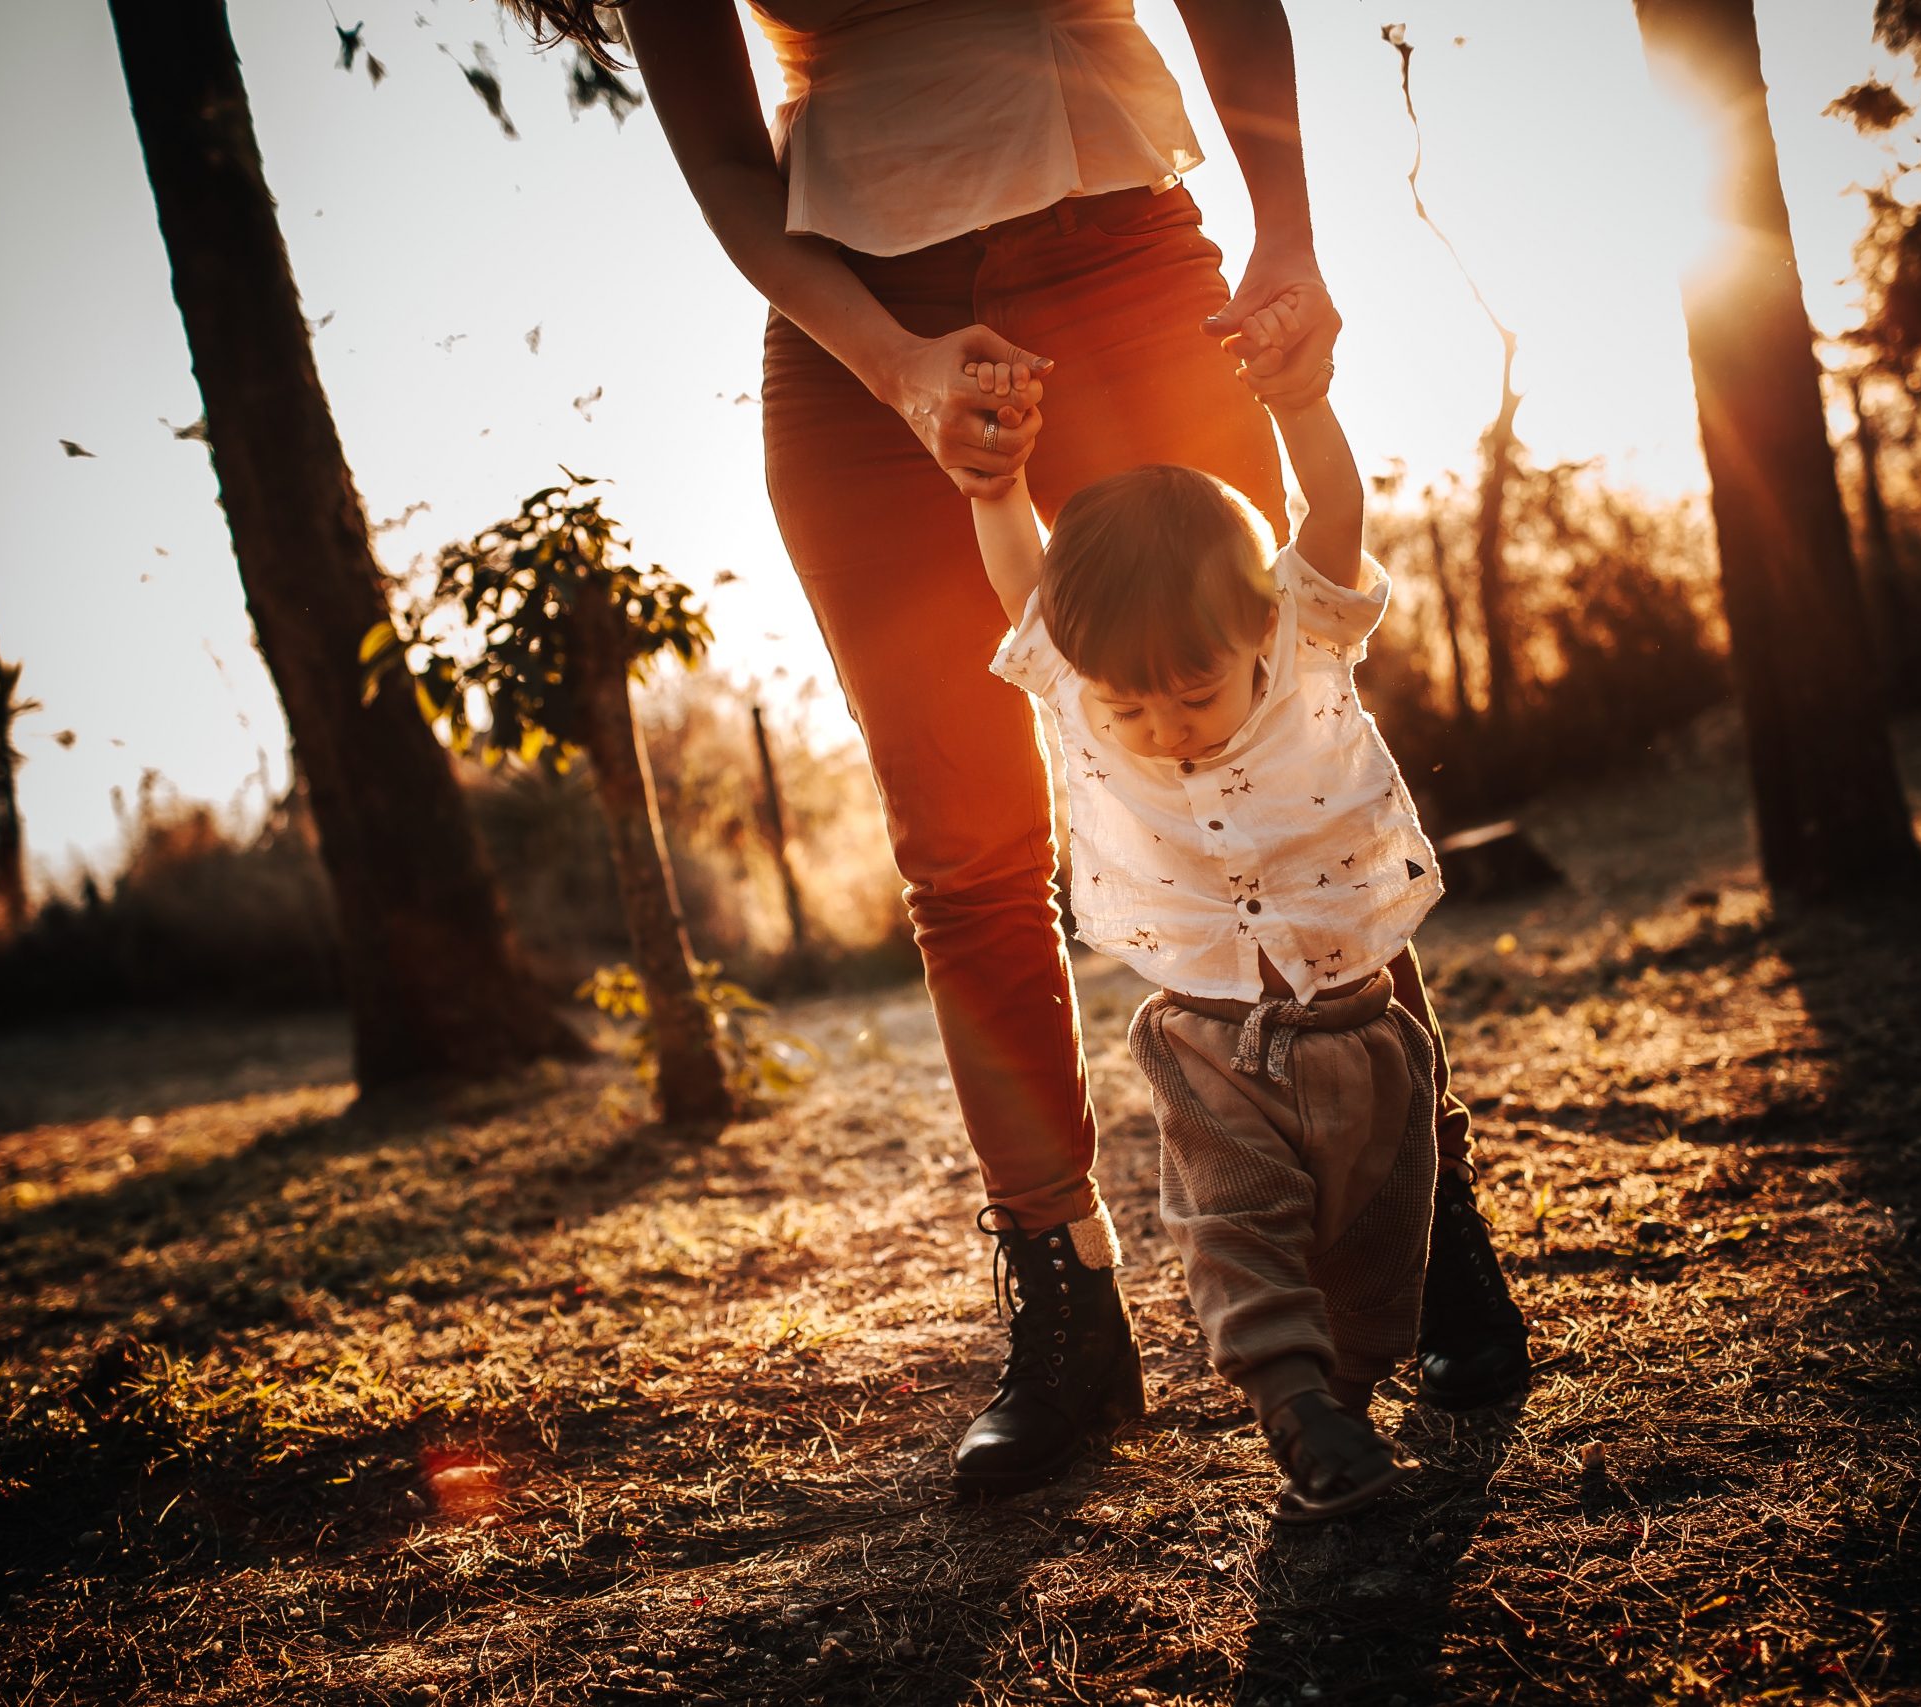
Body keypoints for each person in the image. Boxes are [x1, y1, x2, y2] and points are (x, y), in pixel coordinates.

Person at [504, 0, 1527, 1494]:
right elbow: (730, 169)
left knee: (1275, 727)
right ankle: (1066, 1308)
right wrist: (899, 365)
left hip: (1119, 252)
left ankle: (1421, 1221)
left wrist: (1287, 232)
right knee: (963, 847)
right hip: (856, 325)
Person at [965, 295, 1438, 1519]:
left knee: (1382, 1262)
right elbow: (1025, 577)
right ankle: (1292, 1409)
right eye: (1132, 709)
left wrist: (1299, 406)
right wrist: (993, 485)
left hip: (1364, 1023)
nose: (1163, 729)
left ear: (1256, 631)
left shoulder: (1299, 638)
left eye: (1192, 692)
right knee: (1234, 1228)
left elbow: (1332, 517)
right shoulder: (1080, 686)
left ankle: (1343, 1399)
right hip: (1208, 1035)